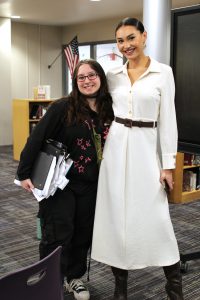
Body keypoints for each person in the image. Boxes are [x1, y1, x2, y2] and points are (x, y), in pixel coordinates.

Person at [91, 17, 184, 300]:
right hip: (117, 149)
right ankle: (120, 287)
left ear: (144, 37)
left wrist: (168, 165)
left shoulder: (162, 73)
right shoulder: (113, 75)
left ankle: (174, 287)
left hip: (147, 149)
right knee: (116, 218)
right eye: (120, 40)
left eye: (131, 38)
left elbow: (168, 120)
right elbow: (98, 109)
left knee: (156, 218)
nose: (126, 45)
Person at [16, 59, 114, 300]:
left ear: (100, 78)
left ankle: (74, 278)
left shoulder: (109, 109)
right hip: (59, 184)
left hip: (92, 183)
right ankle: (50, 282)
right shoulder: (63, 107)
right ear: (75, 82)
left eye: (92, 75)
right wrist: (24, 173)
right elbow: (36, 138)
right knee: (58, 233)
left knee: (83, 232)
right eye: (81, 77)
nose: (87, 81)